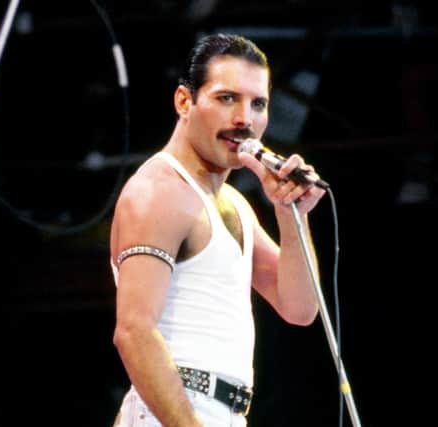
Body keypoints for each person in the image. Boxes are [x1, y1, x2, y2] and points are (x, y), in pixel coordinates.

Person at [109, 33, 326, 427]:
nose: (245, 119)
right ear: (184, 102)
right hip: (173, 410)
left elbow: (300, 308)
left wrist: (291, 214)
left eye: (257, 103)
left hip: (222, 411)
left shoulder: (234, 204)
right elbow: (133, 331)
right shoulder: (160, 191)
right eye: (227, 98)